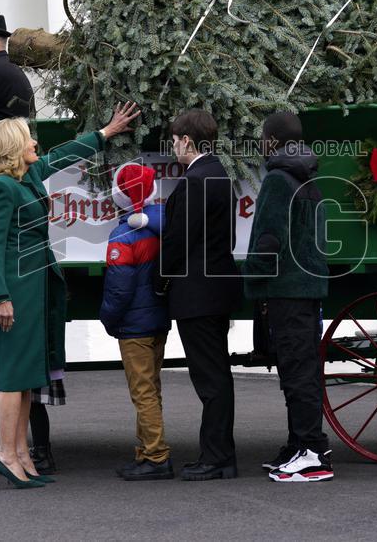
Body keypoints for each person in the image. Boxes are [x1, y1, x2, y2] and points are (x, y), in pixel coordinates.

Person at [0, 104, 140, 489]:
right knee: (10, 379)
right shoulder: (3, 187)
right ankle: (6, 455)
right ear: (13, 147)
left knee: (24, 378)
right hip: (14, 293)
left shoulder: (28, 176)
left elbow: (61, 156)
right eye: (28, 138)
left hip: (34, 289)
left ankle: (21, 454)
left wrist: (104, 133)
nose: (35, 142)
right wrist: (1, 296)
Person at [243, 112, 332, 483]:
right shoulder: (307, 177)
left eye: (263, 137)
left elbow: (268, 238)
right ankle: (300, 446)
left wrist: (254, 283)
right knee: (302, 371)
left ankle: (312, 453)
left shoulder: (278, 179)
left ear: (273, 140)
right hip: (307, 286)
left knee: (297, 374)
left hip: (287, 289)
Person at [156, 109, 241, 481]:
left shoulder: (195, 181)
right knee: (216, 375)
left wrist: (159, 281)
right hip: (215, 288)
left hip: (197, 293)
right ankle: (218, 453)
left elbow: (176, 241)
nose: (173, 145)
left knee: (210, 379)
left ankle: (217, 457)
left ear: (187, 141)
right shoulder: (220, 175)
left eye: (174, 140)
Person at [99, 163, 173, 481]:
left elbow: (119, 287)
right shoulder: (162, 226)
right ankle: (145, 451)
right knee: (151, 388)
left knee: (142, 391)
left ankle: (156, 456)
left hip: (133, 326)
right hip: (158, 320)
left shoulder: (122, 236)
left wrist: (107, 319)